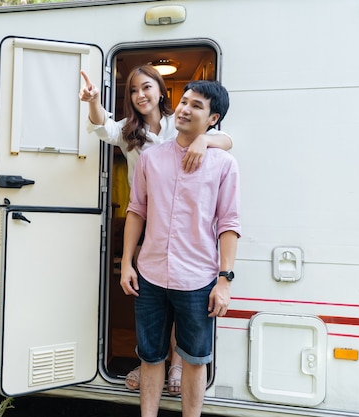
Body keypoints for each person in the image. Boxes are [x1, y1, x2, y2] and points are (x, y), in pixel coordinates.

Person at [79, 65, 233, 396]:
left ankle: (178, 363)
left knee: (185, 291)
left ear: (162, 91)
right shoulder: (128, 132)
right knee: (158, 297)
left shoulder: (178, 123)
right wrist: (92, 101)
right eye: (133, 90)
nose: (140, 95)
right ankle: (154, 362)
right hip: (149, 217)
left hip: (186, 223)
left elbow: (229, 140)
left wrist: (204, 140)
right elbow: (101, 126)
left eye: (147, 87)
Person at [120, 80, 240, 417]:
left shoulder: (224, 164)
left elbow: (230, 224)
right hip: (151, 274)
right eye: (184, 102)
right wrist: (127, 263)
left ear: (213, 117)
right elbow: (136, 210)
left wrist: (224, 281)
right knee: (150, 356)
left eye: (196, 106)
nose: (185, 109)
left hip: (198, 279)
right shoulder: (151, 158)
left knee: (194, 359)